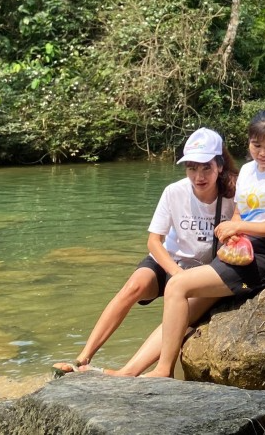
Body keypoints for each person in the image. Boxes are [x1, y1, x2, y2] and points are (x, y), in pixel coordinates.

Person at [52, 128, 236, 376]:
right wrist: (174, 272)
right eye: (192, 168)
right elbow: (154, 242)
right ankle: (83, 358)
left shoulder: (233, 197)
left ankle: (130, 373)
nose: (199, 176)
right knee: (133, 286)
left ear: (220, 166)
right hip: (171, 261)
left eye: (206, 167)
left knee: (176, 314)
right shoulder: (175, 192)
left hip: (204, 272)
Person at [143, 110, 265, 378]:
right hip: (238, 252)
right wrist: (230, 232)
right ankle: (132, 371)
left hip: (264, 259)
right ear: (248, 143)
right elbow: (240, 212)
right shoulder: (247, 170)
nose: (263, 153)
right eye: (256, 146)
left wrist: (239, 227)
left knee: (177, 284)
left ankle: (164, 369)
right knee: (184, 299)